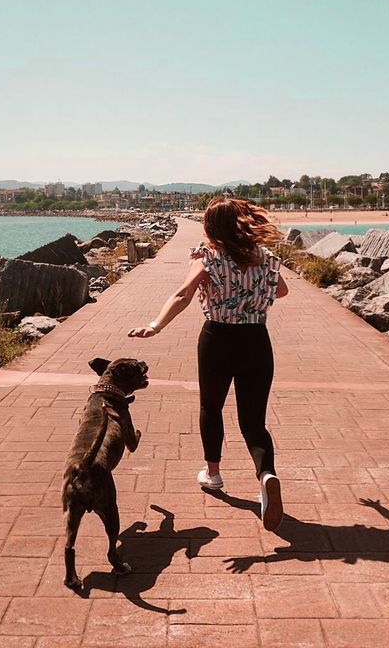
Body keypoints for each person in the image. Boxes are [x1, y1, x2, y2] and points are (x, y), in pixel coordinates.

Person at [128, 197, 290, 530]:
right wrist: (253, 293)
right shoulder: (266, 258)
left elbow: (183, 295)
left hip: (217, 338)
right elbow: (283, 291)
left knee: (211, 407)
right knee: (253, 421)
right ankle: (266, 474)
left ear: (212, 227)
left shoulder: (208, 257)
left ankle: (213, 474)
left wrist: (155, 326)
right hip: (256, 340)